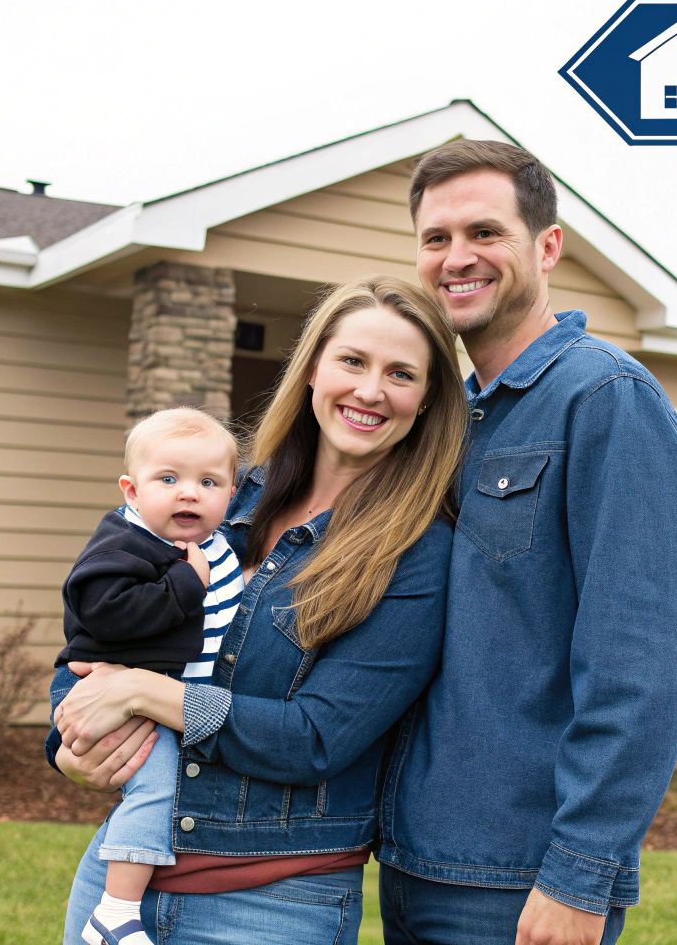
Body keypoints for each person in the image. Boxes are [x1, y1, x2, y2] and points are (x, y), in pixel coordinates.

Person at [51, 275, 466, 945]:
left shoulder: (417, 553)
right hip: (115, 885)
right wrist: (69, 747)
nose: (369, 390)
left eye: (401, 374)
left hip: (271, 905)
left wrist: (142, 692)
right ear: (311, 371)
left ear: (425, 401)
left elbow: (317, 738)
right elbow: (96, 632)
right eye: (353, 361)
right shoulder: (220, 497)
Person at [376, 140, 677, 945]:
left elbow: (647, 667)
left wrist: (580, 877)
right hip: (413, 862)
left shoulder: (606, 401)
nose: (457, 258)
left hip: (518, 883)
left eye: (485, 233)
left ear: (546, 246)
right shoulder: (446, 418)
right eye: (435, 239)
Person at [49, 407, 246, 945]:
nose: (189, 494)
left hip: (145, 693)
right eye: (169, 479)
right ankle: (115, 912)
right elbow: (105, 611)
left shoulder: (213, 546)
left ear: (231, 494)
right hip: (99, 686)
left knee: (164, 790)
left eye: (208, 482)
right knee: (157, 789)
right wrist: (184, 584)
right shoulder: (125, 542)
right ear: (131, 491)